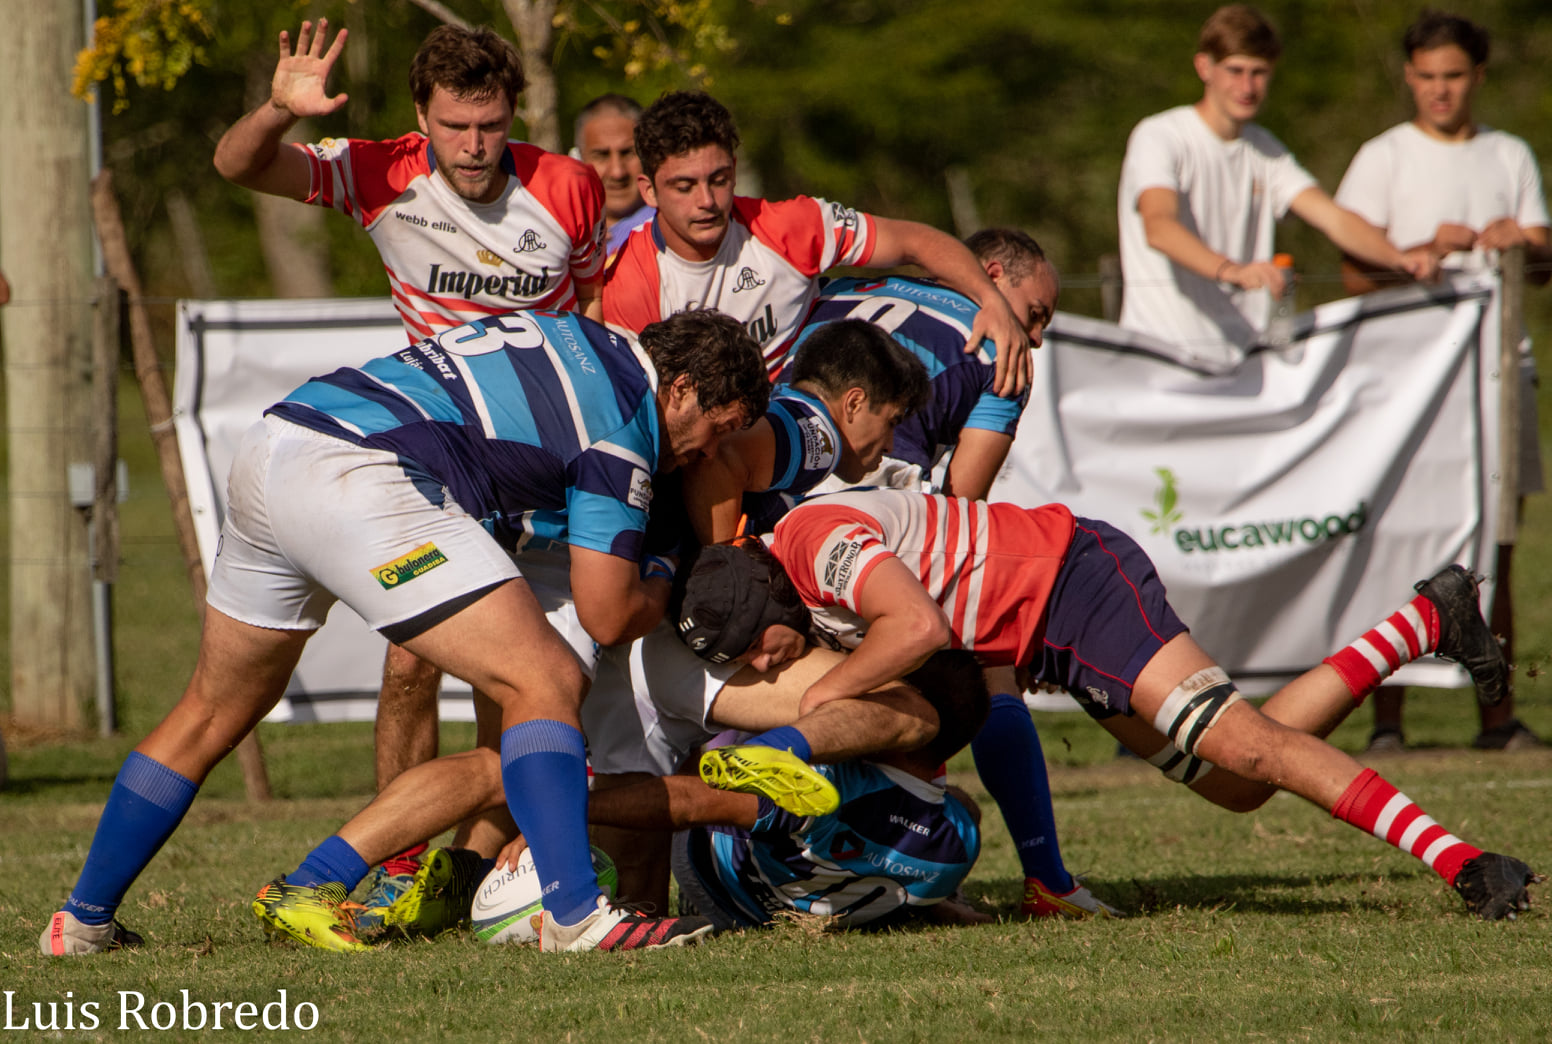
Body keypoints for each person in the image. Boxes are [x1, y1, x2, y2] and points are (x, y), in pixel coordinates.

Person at [37, 308, 769, 956]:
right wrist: (671, 562)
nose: (706, 454)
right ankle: (577, 915)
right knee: (542, 679)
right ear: (679, 390)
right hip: (360, 473)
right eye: (718, 430)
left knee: (209, 709)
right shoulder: (627, 418)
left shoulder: (579, 334)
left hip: (278, 442)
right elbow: (608, 613)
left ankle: (82, 921)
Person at [691, 488, 1542, 921]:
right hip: (1050, 629)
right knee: (1237, 782)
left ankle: (1467, 865)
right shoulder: (792, 577)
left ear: (771, 595)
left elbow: (915, 626)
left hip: (1076, 582)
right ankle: (1425, 619)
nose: (767, 662)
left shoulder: (811, 542)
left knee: (1245, 747)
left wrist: (814, 721)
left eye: (759, 645)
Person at [213, 20, 610, 893]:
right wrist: (278, 112)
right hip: (438, 455)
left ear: (515, 115)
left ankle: (469, 871)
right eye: (456, 126)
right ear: (420, 117)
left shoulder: (571, 188)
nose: (475, 148)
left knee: (516, 675)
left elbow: (596, 324)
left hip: (540, 459)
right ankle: (396, 858)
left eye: (492, 125)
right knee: (409, 663)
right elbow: (239, 166)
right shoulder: (379, 169)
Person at [1334, 10, 1548, 753]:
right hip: (1410, 384)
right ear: (1408, 77)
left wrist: (1520, 239)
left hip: (1499, 372)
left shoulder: (1509, 155)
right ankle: (1386, 722)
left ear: (1477, 77)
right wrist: (1423, 249)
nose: (1439, 91)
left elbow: (1544, 257)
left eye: (1453, 76)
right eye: (1426, 77)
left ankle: (1498, 718)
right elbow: (1353, 271)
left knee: (1502, 548)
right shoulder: (1382, 156)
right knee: (1395, 543)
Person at [603, 90, 1032, 394]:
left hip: (804, 426)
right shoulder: (628, 282)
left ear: (734, 168)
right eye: (684, 186)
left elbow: (917, 242)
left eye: (719, 179)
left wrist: (992, 302)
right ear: (649, 191)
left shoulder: (789, 225)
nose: (708, 201)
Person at [551, 648, 992, 932]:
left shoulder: (831, 784)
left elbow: (690, 803)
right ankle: (934, 903)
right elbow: (956, 807)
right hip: (820, 902)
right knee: (959, 812)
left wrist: (566, 809)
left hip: (715, 877)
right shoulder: (960, 841)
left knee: (717, 746)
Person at [1116, 5, 1437, 367]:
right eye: (1235, 70)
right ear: (1204, 67)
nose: (1247, 87)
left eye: (1259, 73)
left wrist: (1400, 258)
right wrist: (1233, 271)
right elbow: (1159, 227)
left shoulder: (1265, 149)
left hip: (1240, 360)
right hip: (1161, 356)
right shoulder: (1160, 136)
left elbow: (1333, 218)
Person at [789, 228, 1059, 504]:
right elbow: (964, 500)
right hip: (875, 482)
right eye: (1035, 313)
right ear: (992, 275)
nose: (1036, 338)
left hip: (778, 442)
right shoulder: (1006, 350)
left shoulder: (837, 288)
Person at [572, 93, 654, 257]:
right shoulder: (555, 234)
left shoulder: (672, 230)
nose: (617, 172)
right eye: (602, 155)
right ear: (578, 160)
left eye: (628, 153)